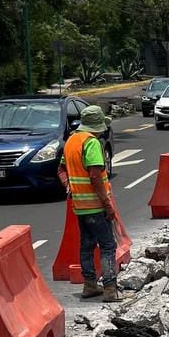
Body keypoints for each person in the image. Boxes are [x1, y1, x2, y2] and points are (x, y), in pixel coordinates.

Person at [58, 105, 121, 304]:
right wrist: (107, 204)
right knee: (108, 245)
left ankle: (90, 285)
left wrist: (69, 187)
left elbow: (60, 168)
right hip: (96, 206)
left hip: (80, 206)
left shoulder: (71, 141)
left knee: (86, 245)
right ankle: (110, 289)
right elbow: (95, 176)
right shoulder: (91, 143)